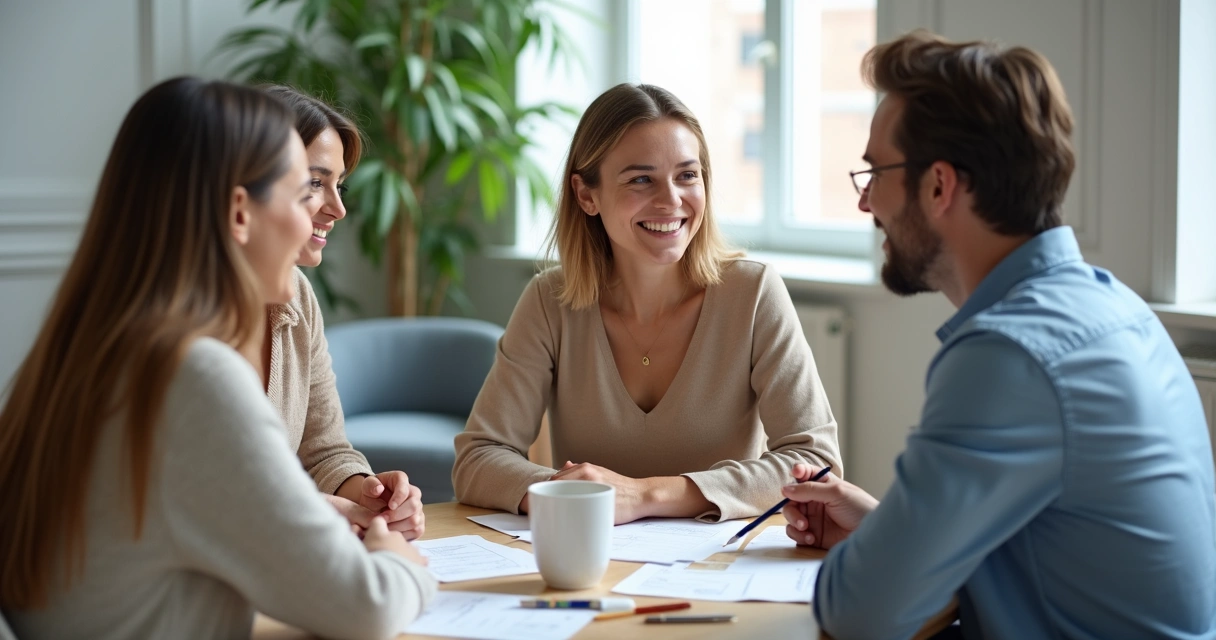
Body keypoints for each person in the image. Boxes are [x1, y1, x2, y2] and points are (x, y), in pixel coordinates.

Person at [780, 31, 1216, 639]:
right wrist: (886, 528)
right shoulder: (1111, 306)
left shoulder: (1011, 355)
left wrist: (875, 557)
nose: (865, 202)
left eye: (875, 171)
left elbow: (859, 613)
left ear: (939, 186)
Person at [0, 77, 435, 639]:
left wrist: (327, 510)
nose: (315, 219)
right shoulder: (193, 376)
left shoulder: (96, 348)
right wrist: (398, 562)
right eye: (299, 192)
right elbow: (366, 607)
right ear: (238, 212)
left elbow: (170, 517)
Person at [453, 83, 842, 524]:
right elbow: (478, 459)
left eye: (687, 175)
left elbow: (815, 460)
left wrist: (646, 495)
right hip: (590, 563)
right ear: (587, 195)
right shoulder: (549, 301)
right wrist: (568, 494)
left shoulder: (753, 294)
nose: (671, 200)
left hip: (718, 567)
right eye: (641, 179)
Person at [258, 85, 423, 539]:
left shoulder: (298, 296)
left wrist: (368, 494)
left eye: (338, 184)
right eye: (315, 183)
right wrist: (313, 509)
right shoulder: (184, 323)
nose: (339, 208)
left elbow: (325, 450)